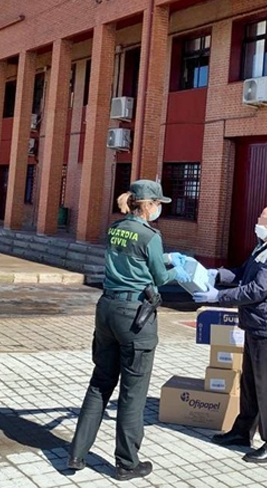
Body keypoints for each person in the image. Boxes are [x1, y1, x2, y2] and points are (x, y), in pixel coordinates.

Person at [67, 180, 191, 481]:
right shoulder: (149, 235)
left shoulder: (115, 227)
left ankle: (77, 454)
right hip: (135, 316)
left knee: (100, 383)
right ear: (148, 205)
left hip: (107, 309)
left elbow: (132, 261)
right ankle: (127, 463)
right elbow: (159, 276)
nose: (159, 208)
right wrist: (182, 268)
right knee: (133, 393)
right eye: (158, 203)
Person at [194, 202, 267, 464]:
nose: (259, 222)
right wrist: (216, 274)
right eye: (261, 217)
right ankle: (242, 432)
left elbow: (256, 290)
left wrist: (218, 297)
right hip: (255, 325)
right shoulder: (266, 245)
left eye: (265, 218)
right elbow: (243, 274)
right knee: (250, 383)